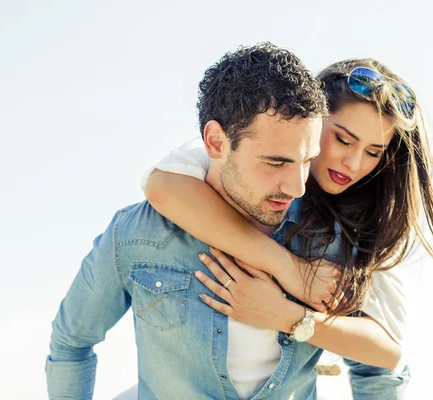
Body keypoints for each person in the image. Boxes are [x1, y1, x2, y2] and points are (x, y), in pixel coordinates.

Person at [141, 58, 433, 398]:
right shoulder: (255, 147)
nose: (353, 164)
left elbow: (387, 352)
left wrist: (289, 316)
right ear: (315, 119)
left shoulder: (366, 221)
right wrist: (287, 267)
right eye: (344, 140)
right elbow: (163, 187)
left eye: (373, 152)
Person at [46, 42, 334, 400]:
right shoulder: (135, 235)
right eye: (276, 162)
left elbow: (379, 365)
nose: (297, 186)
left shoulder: (329, 235)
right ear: (215, 142)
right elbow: (71, 343)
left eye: (307, 161)